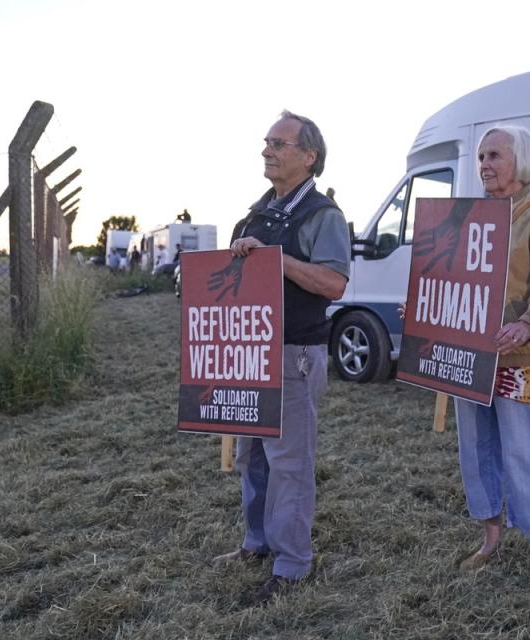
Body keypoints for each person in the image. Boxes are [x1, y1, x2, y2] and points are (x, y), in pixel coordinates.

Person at [214, 110, 351, 607]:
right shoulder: (253, 216)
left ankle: (292, 565)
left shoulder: (323, 216)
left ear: (309, 156)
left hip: (295, 353)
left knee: (289, 462)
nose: (267, 150)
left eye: (279, 143)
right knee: (252, 457)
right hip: (250, 355)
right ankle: (257, 543)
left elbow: (333, 283)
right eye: (266, 142)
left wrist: (273, 258)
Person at [453, 125, 530, 597]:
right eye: (481, 156)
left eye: (494, 156)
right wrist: (426, 309)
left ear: (520, 160)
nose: (484, 164)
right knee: (477, 448)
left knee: (525, 451)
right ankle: (490, 537)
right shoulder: (472, 217)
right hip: (470, 353)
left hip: (523, 356)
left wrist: (527, 324)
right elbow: (454, 278)